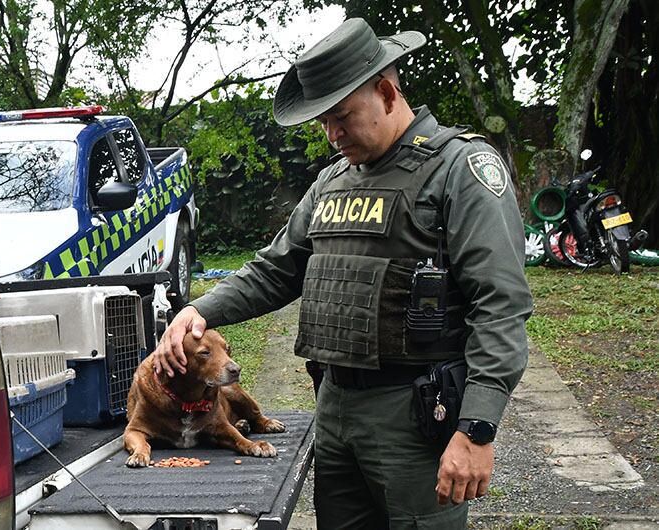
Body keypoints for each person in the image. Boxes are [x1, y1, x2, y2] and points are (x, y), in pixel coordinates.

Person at [151, 17, 532, 529]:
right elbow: (276, 269)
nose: (332, 135)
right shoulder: (332, 182)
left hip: (415, 414)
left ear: (387, 93)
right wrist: (198, 310)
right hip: (335, 408)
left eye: (342, 117)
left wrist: (477, 429)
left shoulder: (458, 169)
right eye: (323, 122)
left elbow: (501, 306)